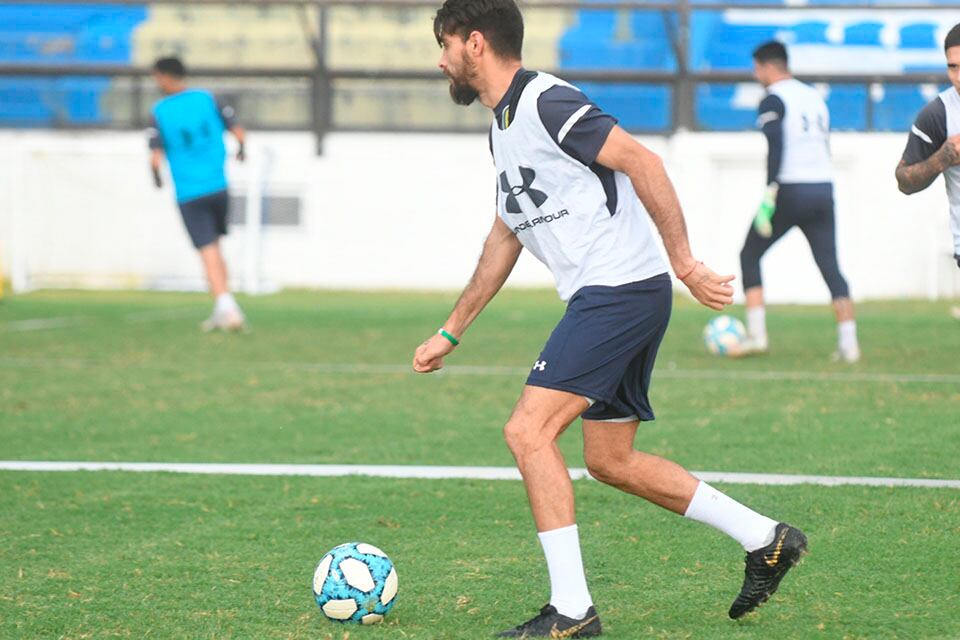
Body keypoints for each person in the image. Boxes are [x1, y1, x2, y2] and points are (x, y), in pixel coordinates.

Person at [412, 2, 807, 636]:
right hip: (617, 294)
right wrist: (451, 330)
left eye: (444, 44)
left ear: (475, 44)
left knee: (528, 432)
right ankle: (766, 538)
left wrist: (685, 262)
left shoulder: (545, 100)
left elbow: (643, 162)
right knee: (609, 459)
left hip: (618, 290)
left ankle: (572, 610)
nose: (439, 60)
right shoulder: (503, 126)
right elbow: (504, 237)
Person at [739, 41, 860, 362]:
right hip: (822, 188)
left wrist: (770, 191)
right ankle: (849, 344)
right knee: (830, 264)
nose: (756, 75)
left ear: (766, 66)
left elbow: (776, 146)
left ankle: (757, 336)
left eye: (757, 68)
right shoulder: (814, 97)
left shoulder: (773, 99)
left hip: (790, 190)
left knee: (749, 254)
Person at [149, 56, 247, 331]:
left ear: (165, 77)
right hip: (219, 185)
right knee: (214, 246)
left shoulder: (160, 110)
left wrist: (156, 178)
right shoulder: (208, 98)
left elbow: (155, 157)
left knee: (207, 249)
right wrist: (241, 151)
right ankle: (223, 304)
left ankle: (227, 307)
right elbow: (239, 134)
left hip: (190, 191)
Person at [895, 21, 960, 321]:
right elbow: (904, 180)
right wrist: (942, 158)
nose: (959, 76)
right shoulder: (938, 114)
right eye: (953, 67)